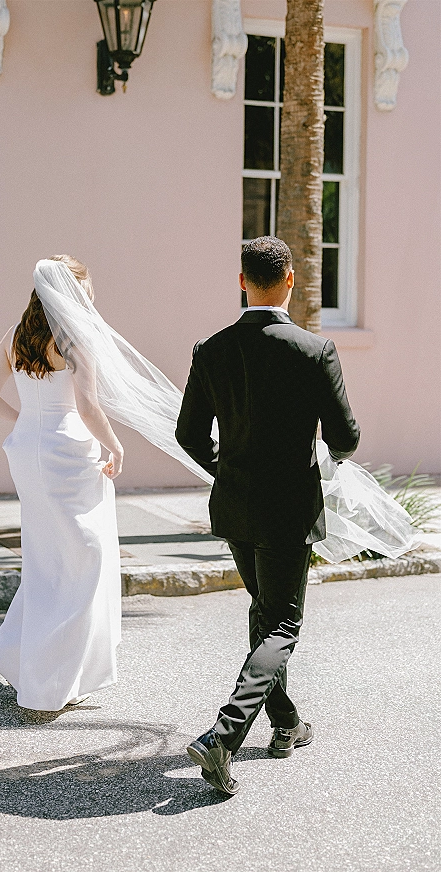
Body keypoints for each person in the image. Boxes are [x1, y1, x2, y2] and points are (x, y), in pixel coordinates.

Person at [176, 236, 361, 795]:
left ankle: (286, 724)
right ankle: (224, 737)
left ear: (241, 281)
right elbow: (346, 436)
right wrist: (329, 458)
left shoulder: (211, 349)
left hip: (235, 503)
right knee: (281, 626)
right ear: (290, 281)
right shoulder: (314, 351)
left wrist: (227, 468)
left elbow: (188, 435)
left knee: (264, 616)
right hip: (288, 508)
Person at [0, 255, 124, 712]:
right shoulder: (76, 341)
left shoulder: (16, 336)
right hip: (70, 458)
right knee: (85, 564)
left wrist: (29, 425)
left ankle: (42, 669)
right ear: (73, 292)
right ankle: (50, 684)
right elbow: (89, 410)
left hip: (27, 452)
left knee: (47, 561)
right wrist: (116, 447)